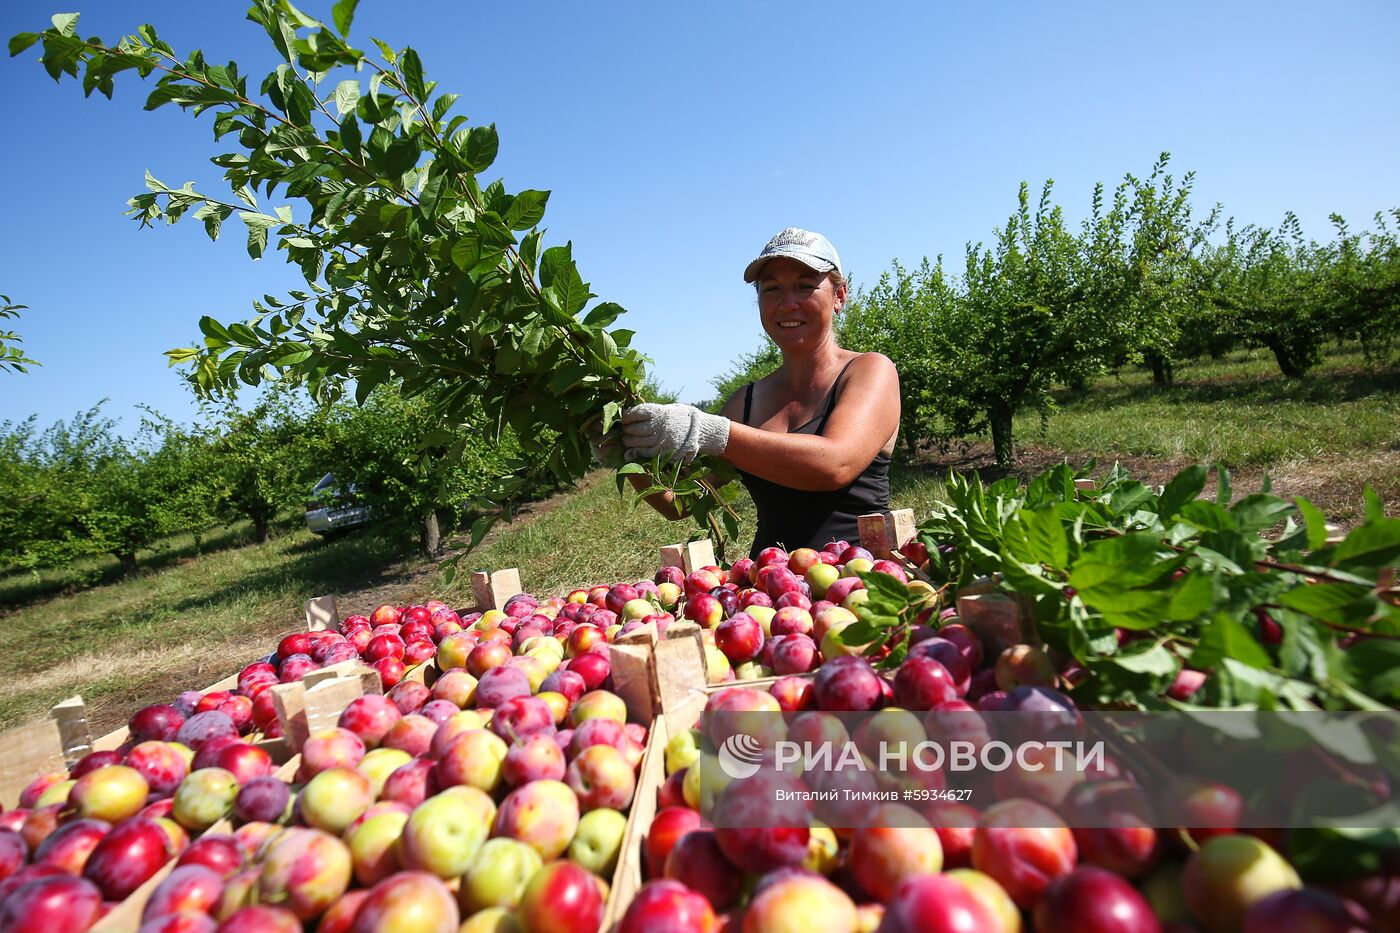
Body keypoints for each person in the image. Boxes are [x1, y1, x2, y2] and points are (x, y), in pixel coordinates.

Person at [615, 227, 901, 559]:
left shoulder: (870, 371)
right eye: (772, 289)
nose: (788, 302)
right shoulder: (746, 403)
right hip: (769, 590)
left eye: (805, 286)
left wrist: (712, 432)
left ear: (839, 296)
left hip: (854, 583)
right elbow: (682, 502)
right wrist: (625, 452)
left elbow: (835, 464)